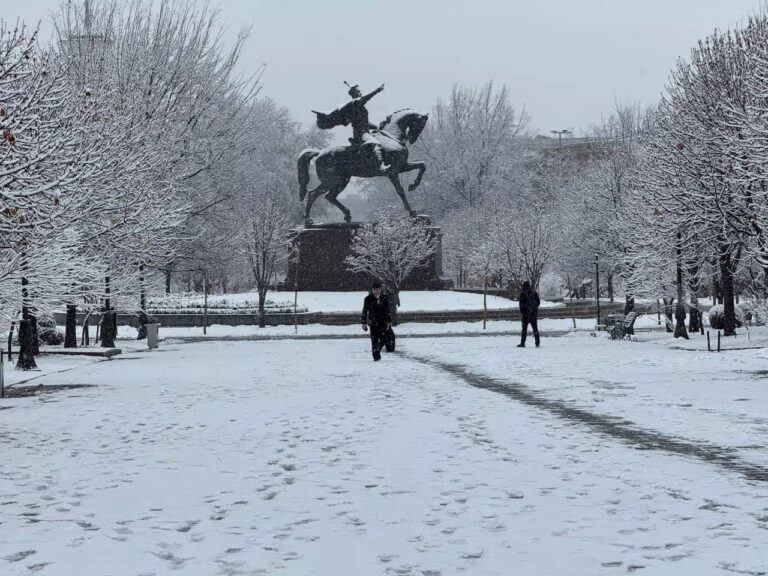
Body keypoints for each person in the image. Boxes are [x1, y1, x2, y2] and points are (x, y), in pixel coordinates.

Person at [361, 282, 391, 361]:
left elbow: (387, 311)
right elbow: (364, 311)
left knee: (384, 338)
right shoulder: (368, 299)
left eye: (378, 289)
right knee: (374, 340)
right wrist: (363, 323)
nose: (376, 291)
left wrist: (389, 321)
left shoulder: (384, 298)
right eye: (375, 290)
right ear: (372, 290)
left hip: (383, 322)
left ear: (380, 290)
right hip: (373, 322)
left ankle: (377, 348)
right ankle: (376, 357)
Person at [517, 280, 540, 348]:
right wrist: (534, 309)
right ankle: (537, 343)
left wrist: (524, 313)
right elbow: (538, 303)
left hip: (525, 315)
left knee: (524, 329)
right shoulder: (534, 293)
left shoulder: (523, 294)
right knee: (535, 329)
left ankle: (522, 343)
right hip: (533, 314)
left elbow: (521, 305)